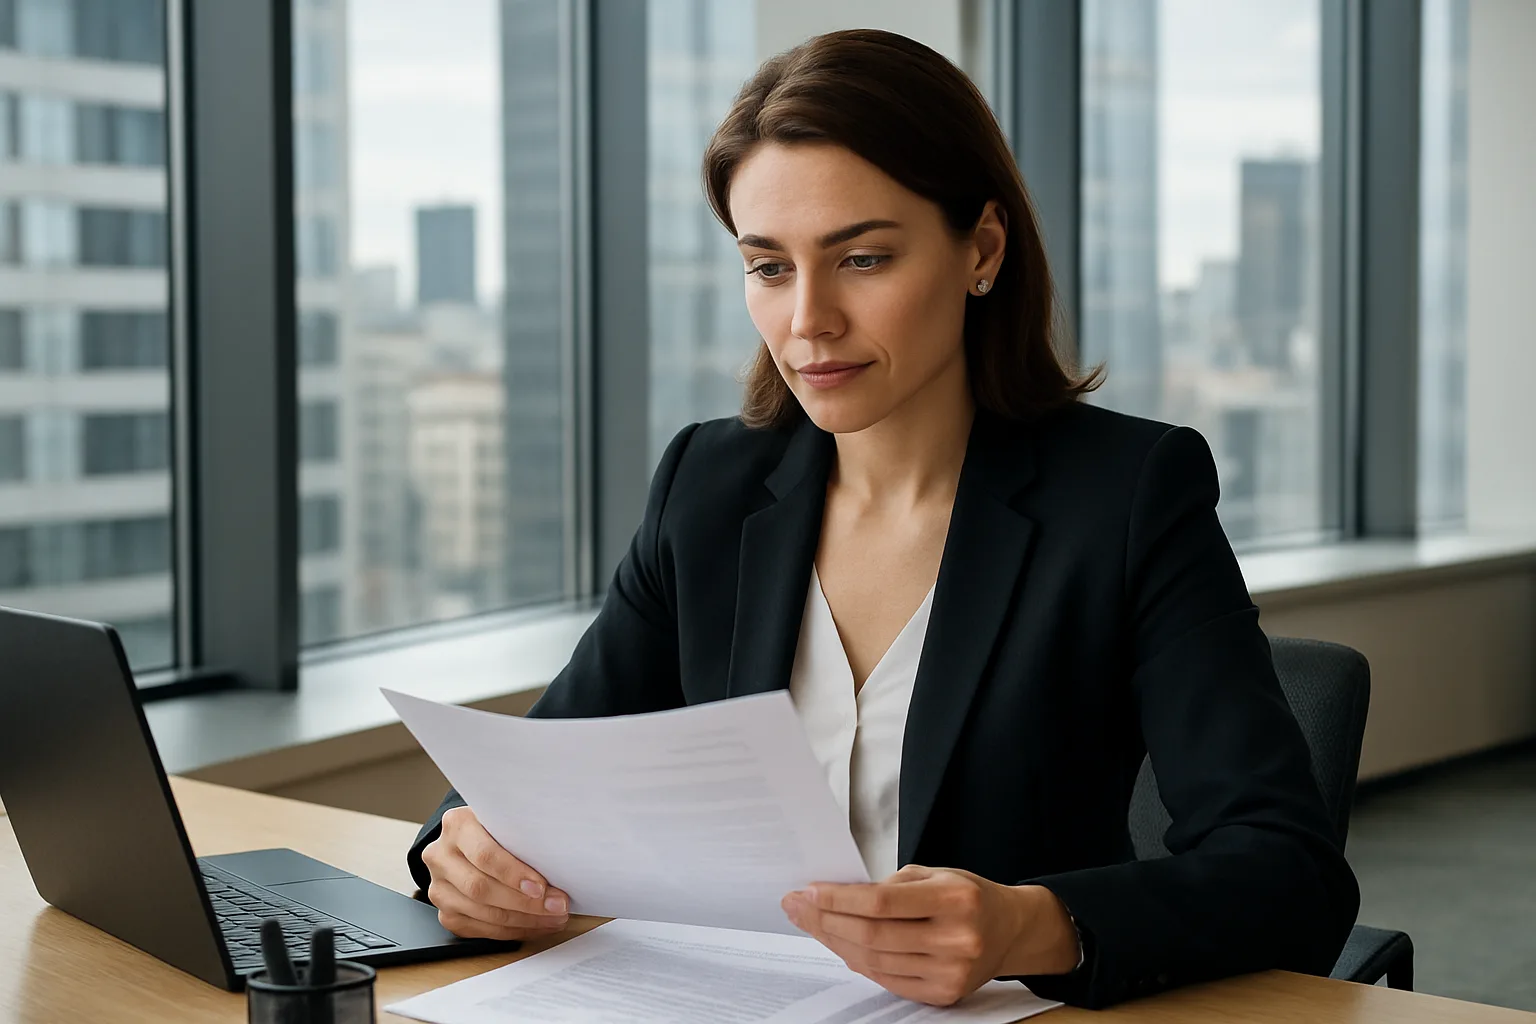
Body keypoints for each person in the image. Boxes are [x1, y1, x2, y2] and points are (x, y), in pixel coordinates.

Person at [405, 28, 1359, 1010]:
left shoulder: (1125, 495)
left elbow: (1289, 871)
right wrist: (465, 849)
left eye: (861, 257)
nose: (808, 318)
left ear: (981, 249)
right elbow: (538, 769)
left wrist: (1032, 925)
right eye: (769, 266)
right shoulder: (709, 486)